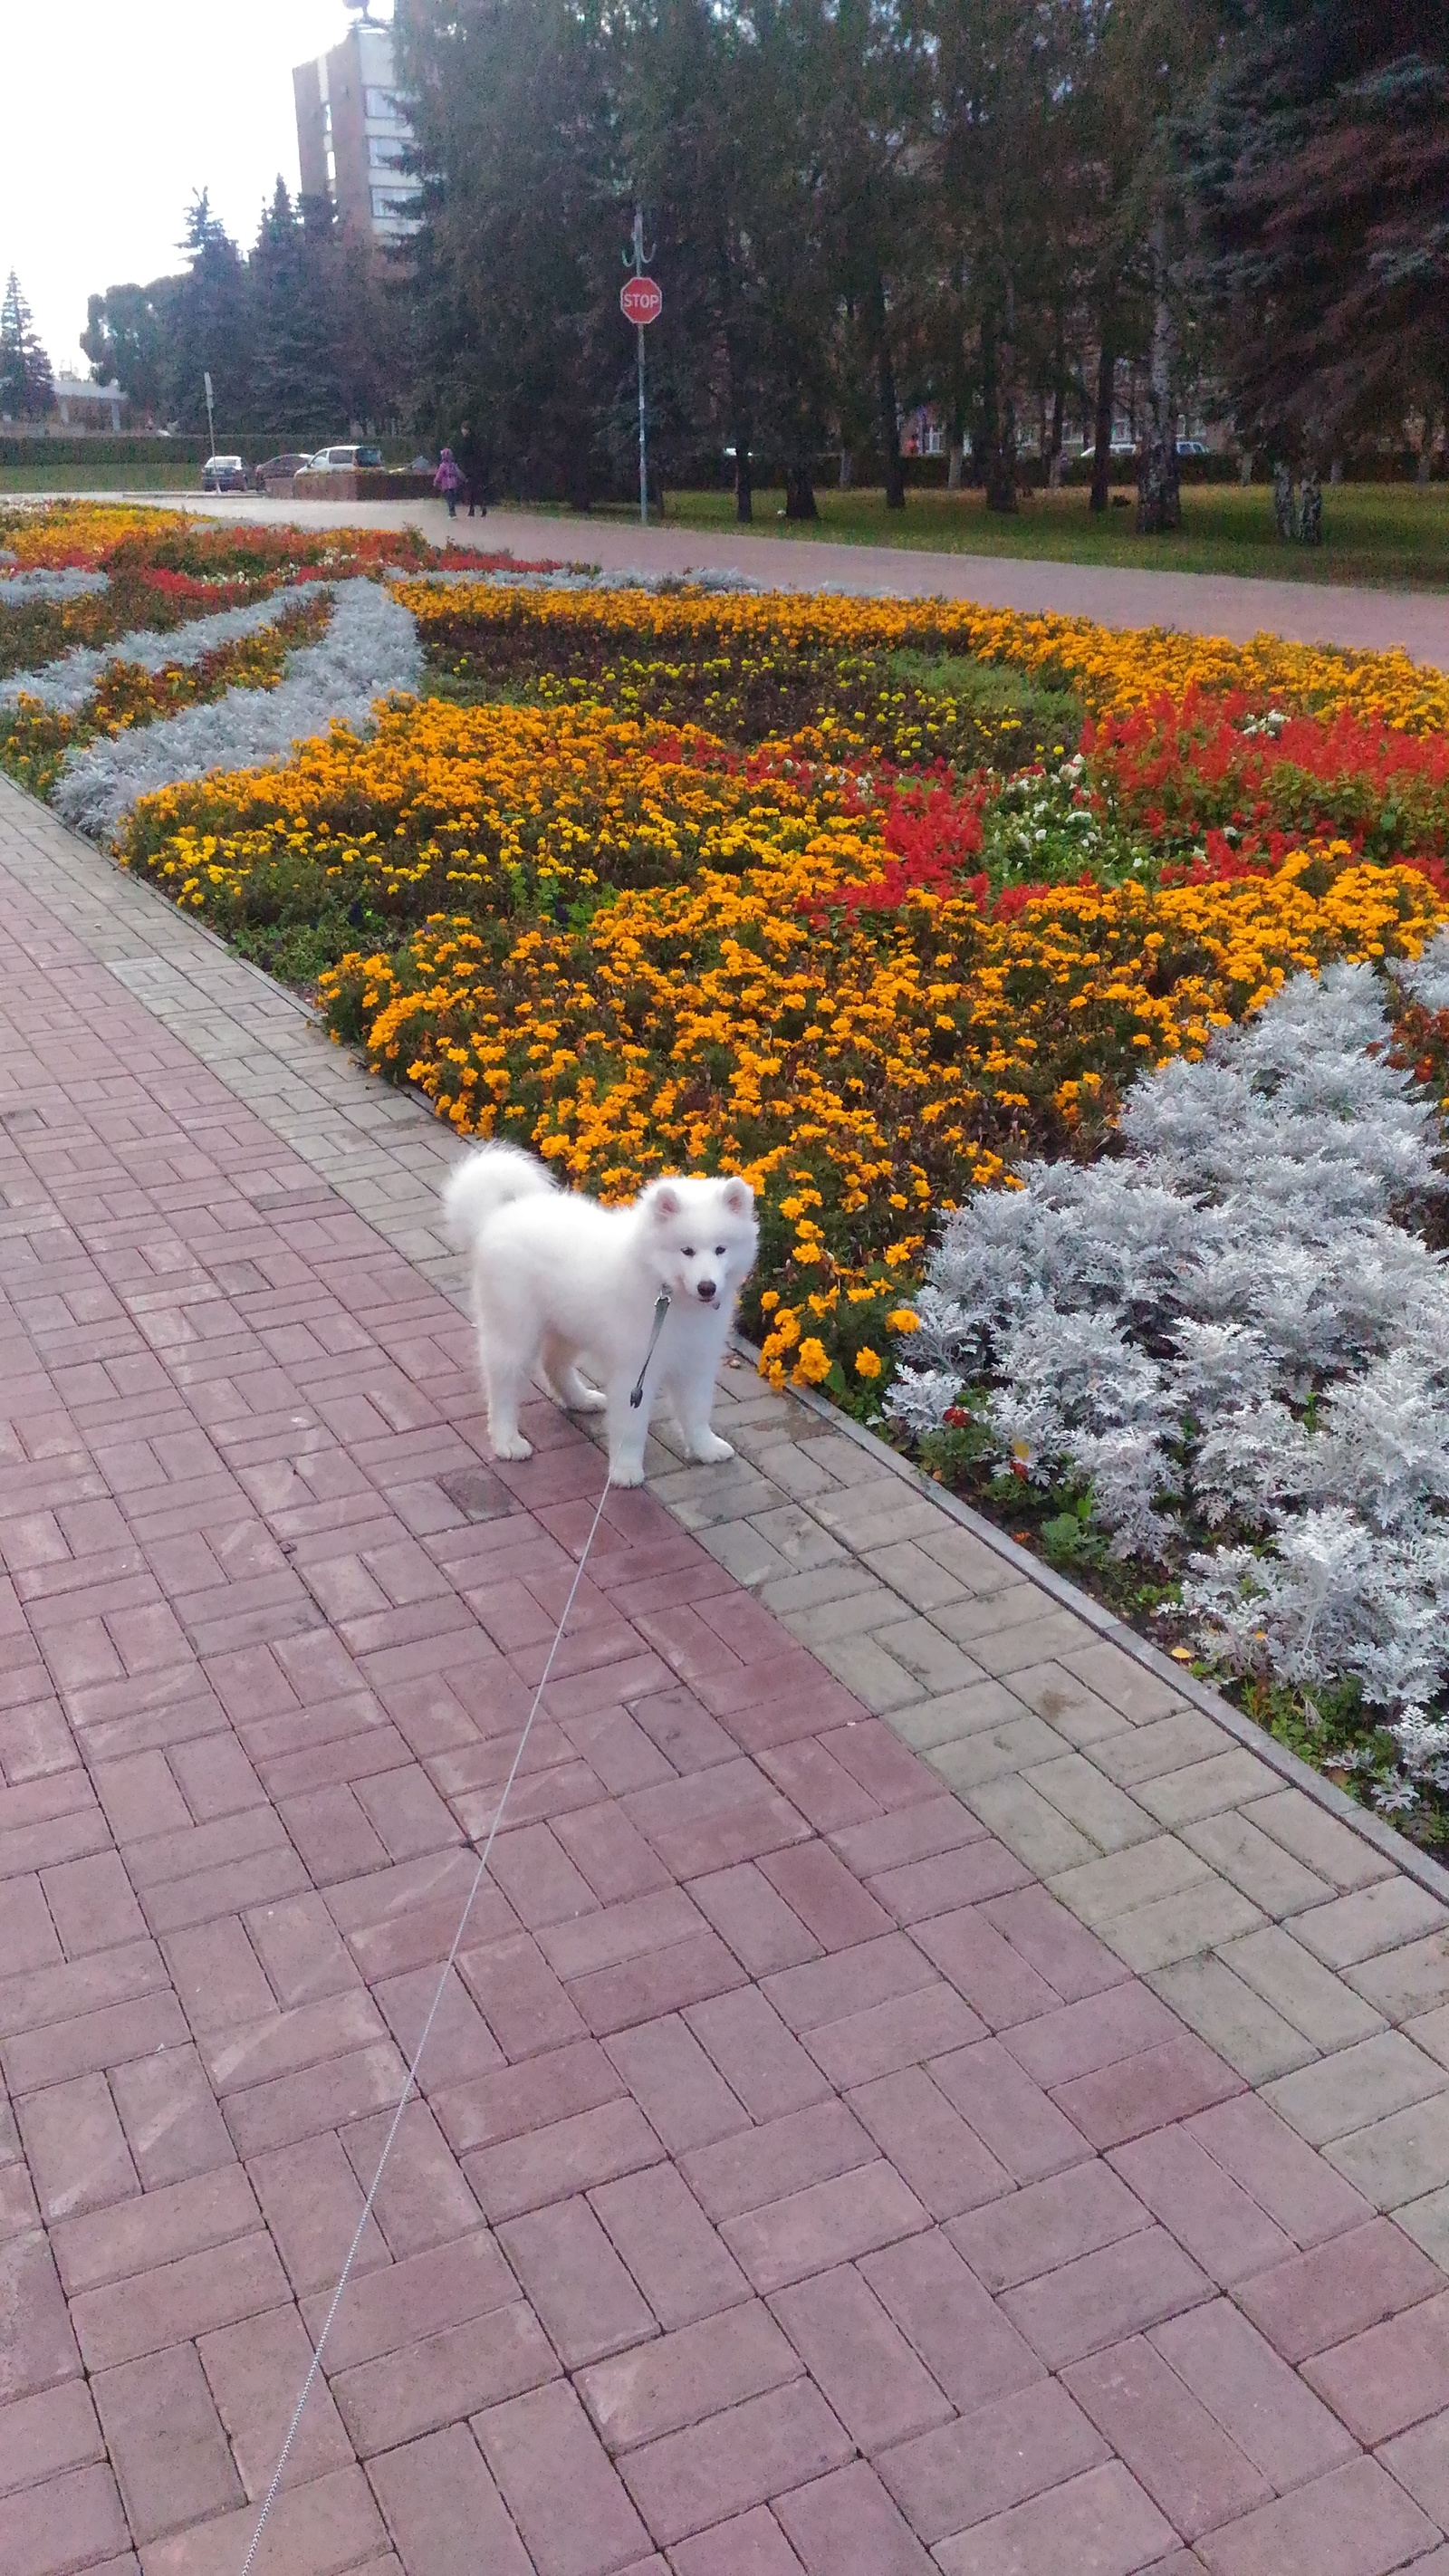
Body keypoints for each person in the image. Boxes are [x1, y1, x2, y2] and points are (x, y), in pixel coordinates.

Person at [433, 447, 464, 518]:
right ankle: (453, 512)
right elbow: (457, 473)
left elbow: (439, 475)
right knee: (453, 498)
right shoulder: (453, 465)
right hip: (454, 483)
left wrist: (435, 482)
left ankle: (452, 513)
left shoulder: (442, 466)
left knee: (449, 499)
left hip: (446, 485)